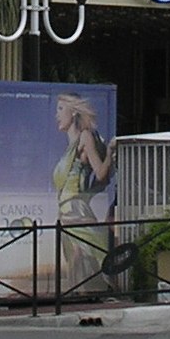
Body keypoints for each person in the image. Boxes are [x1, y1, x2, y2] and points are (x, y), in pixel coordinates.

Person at [51, 93, 115, 284]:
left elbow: (101, 173)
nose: (57, 115)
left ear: (73, 112)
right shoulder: (68, 146)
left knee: (85, 272)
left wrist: (110, 152)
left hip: (78, 217)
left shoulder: (84, 137)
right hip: (66, 218)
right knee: (75, 274)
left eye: (61, 109)